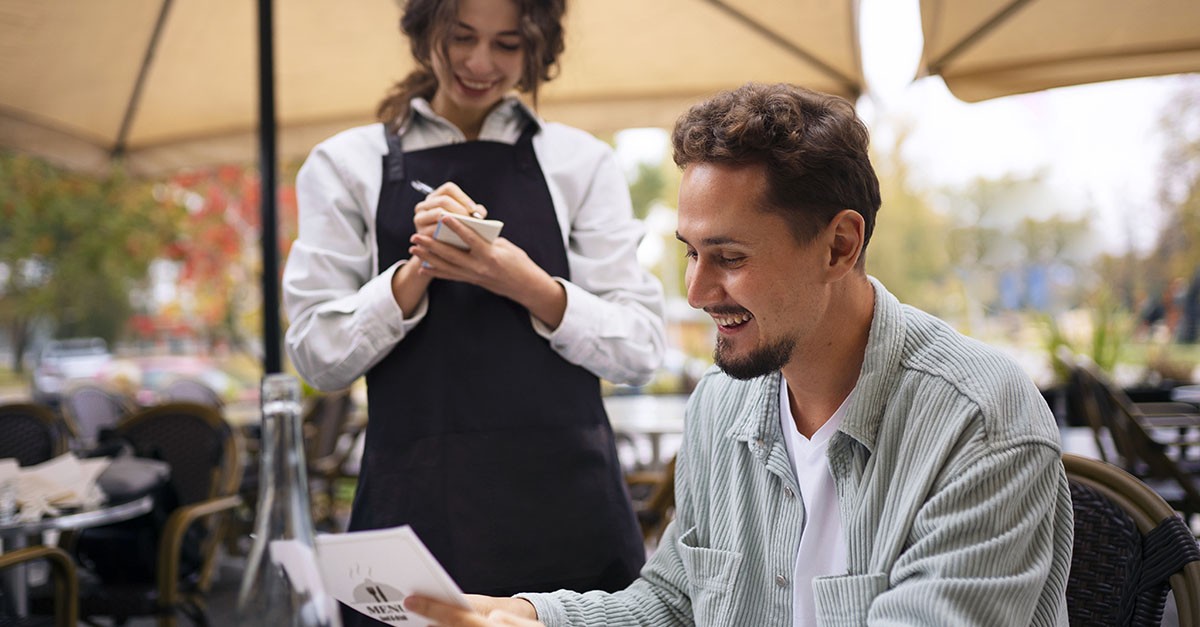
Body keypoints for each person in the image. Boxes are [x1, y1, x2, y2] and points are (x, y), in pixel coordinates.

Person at [404, 82, 1074, 626]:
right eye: (690, 253)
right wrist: (527, 616)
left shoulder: (980, 424)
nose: (696, 291)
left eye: (728, 257)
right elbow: (673, 603)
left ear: (840, 246)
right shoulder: (722, 402)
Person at [281, 0, 667, 619]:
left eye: (507, 45)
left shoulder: (582, 162)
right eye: (461, 37)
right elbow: (317, 359)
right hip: (417, 516)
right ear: (423, 31)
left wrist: (527, 283)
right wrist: (417, 271)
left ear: (537, 48)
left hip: (569, 513)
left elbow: (642, 350)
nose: (479, 62)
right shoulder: (343, 164)